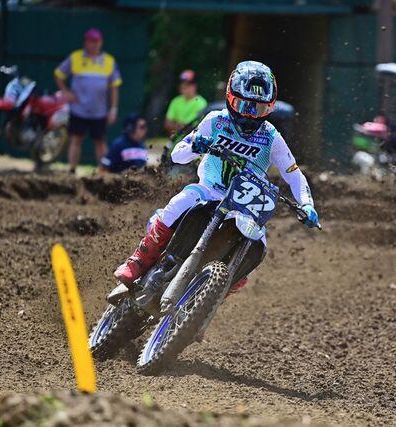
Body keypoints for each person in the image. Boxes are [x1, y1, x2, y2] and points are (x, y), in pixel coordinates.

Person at [114, 61, 319, 293]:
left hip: (244, 206)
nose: (250, 115)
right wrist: (196, 146)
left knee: (259, 244)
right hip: (209, 189)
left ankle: (211, 300)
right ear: (231, 98)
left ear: (269, 108)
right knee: (180, 202)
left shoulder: (271, 137)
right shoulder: (215, 120)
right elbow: (177, 155)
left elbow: (293, 174)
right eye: (243, 105)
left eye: (258, 109)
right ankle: (138, 261)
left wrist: (306, 204)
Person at [54, 28, 122, 174]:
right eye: (91, 41)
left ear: (101, 43)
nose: (94, 44)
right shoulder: (75, 57)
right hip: (78, 109)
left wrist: (113, 109)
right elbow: (58, 74)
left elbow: (114, 87)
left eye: (97, 41)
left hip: (99, 112)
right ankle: (71, 171)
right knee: (76, 139)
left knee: (100, 142)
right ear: (85, 42)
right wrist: (65, 91)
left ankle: (104, 173)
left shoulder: (109, 61)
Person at [164, 70, 208, 136]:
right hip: (176, 140)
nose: (183, 86)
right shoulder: (176, 101)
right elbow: (167, 123)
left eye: (187, 84)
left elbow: (195, 126)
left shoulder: (201, 103)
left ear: (194, 85)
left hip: (192, 140)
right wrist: (181, 126)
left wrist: (177, 126)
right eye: (182, 83)